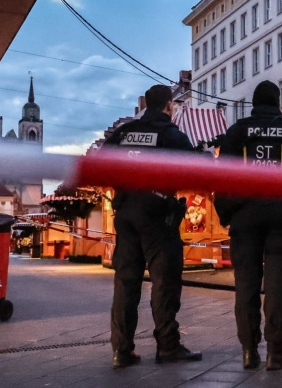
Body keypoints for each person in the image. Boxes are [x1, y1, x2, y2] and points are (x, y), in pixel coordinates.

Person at [215, 80, 282, 371]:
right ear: (277, 101)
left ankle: (249, 351)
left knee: (245, 285)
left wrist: (226, 214)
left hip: (245, 215)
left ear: (254, 102)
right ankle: (275, 351)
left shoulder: (237, 131)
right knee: (278, 285)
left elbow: (221, 176)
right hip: (281, 214)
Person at [103, 84, 202, 369]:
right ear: (169, 106)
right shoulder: (172, 135)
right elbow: (195, 169)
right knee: (164, 281)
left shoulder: (123, 133)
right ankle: (168, 346)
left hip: (126, 211)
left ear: (146, 104)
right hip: (158, 215)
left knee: (126, 281)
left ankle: (121, 351)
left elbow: (101, 160)